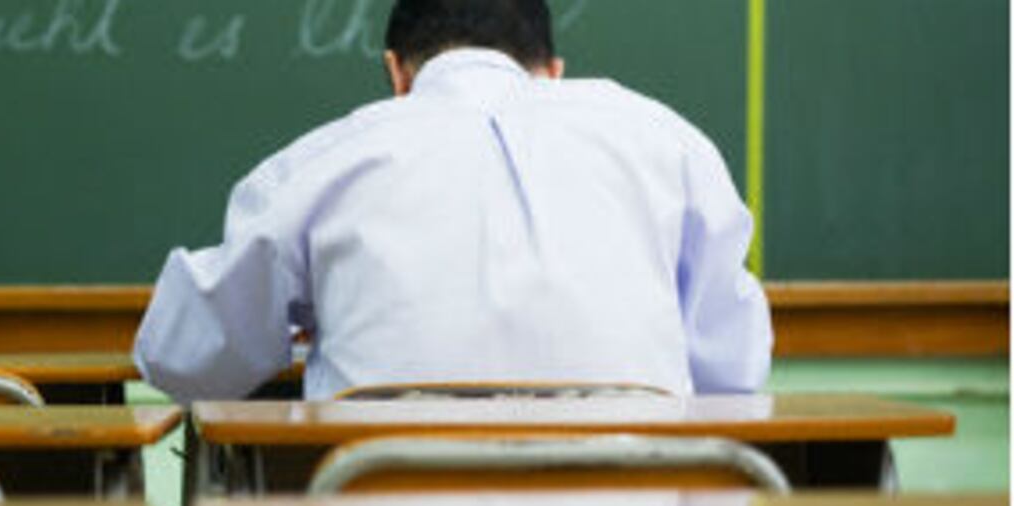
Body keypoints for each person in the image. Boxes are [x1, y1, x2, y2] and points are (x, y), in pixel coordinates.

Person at [135, 0, 772, 403]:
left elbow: (183, 360)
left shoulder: (323, 162)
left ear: (396, 74)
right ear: (554, 72)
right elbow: (735, 371)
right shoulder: (667, 144)